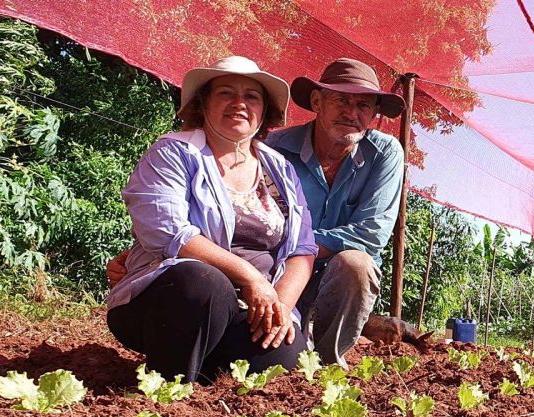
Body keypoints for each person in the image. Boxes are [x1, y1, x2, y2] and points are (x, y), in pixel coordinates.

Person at [107, 56, 318, 382]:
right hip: (173, 301)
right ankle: (169, 387)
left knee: (288, 356)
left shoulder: (281, 169)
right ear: (203, 102)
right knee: (205, 283)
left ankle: (203, 365)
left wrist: (281, 307)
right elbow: (167, 232)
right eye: (225, 93)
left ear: (264, 111)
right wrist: (251, 277)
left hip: (249, 310)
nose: (239, 103)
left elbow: (302, 249)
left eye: (252, 96)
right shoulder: (174, 153)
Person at [265, 58, 406, 367]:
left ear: (373, 114)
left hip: (334, 276)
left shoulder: (385, 154)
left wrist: (302, 245)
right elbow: (262, 225)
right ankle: (287, 350)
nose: (352, 113)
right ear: (317, 101)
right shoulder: (273, 149)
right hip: (281, 269)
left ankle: (328, 361)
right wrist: (295, 256)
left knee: (356, 263)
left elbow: (372, 234)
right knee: (274, 354)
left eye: (364, 106)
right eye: (342, 99)